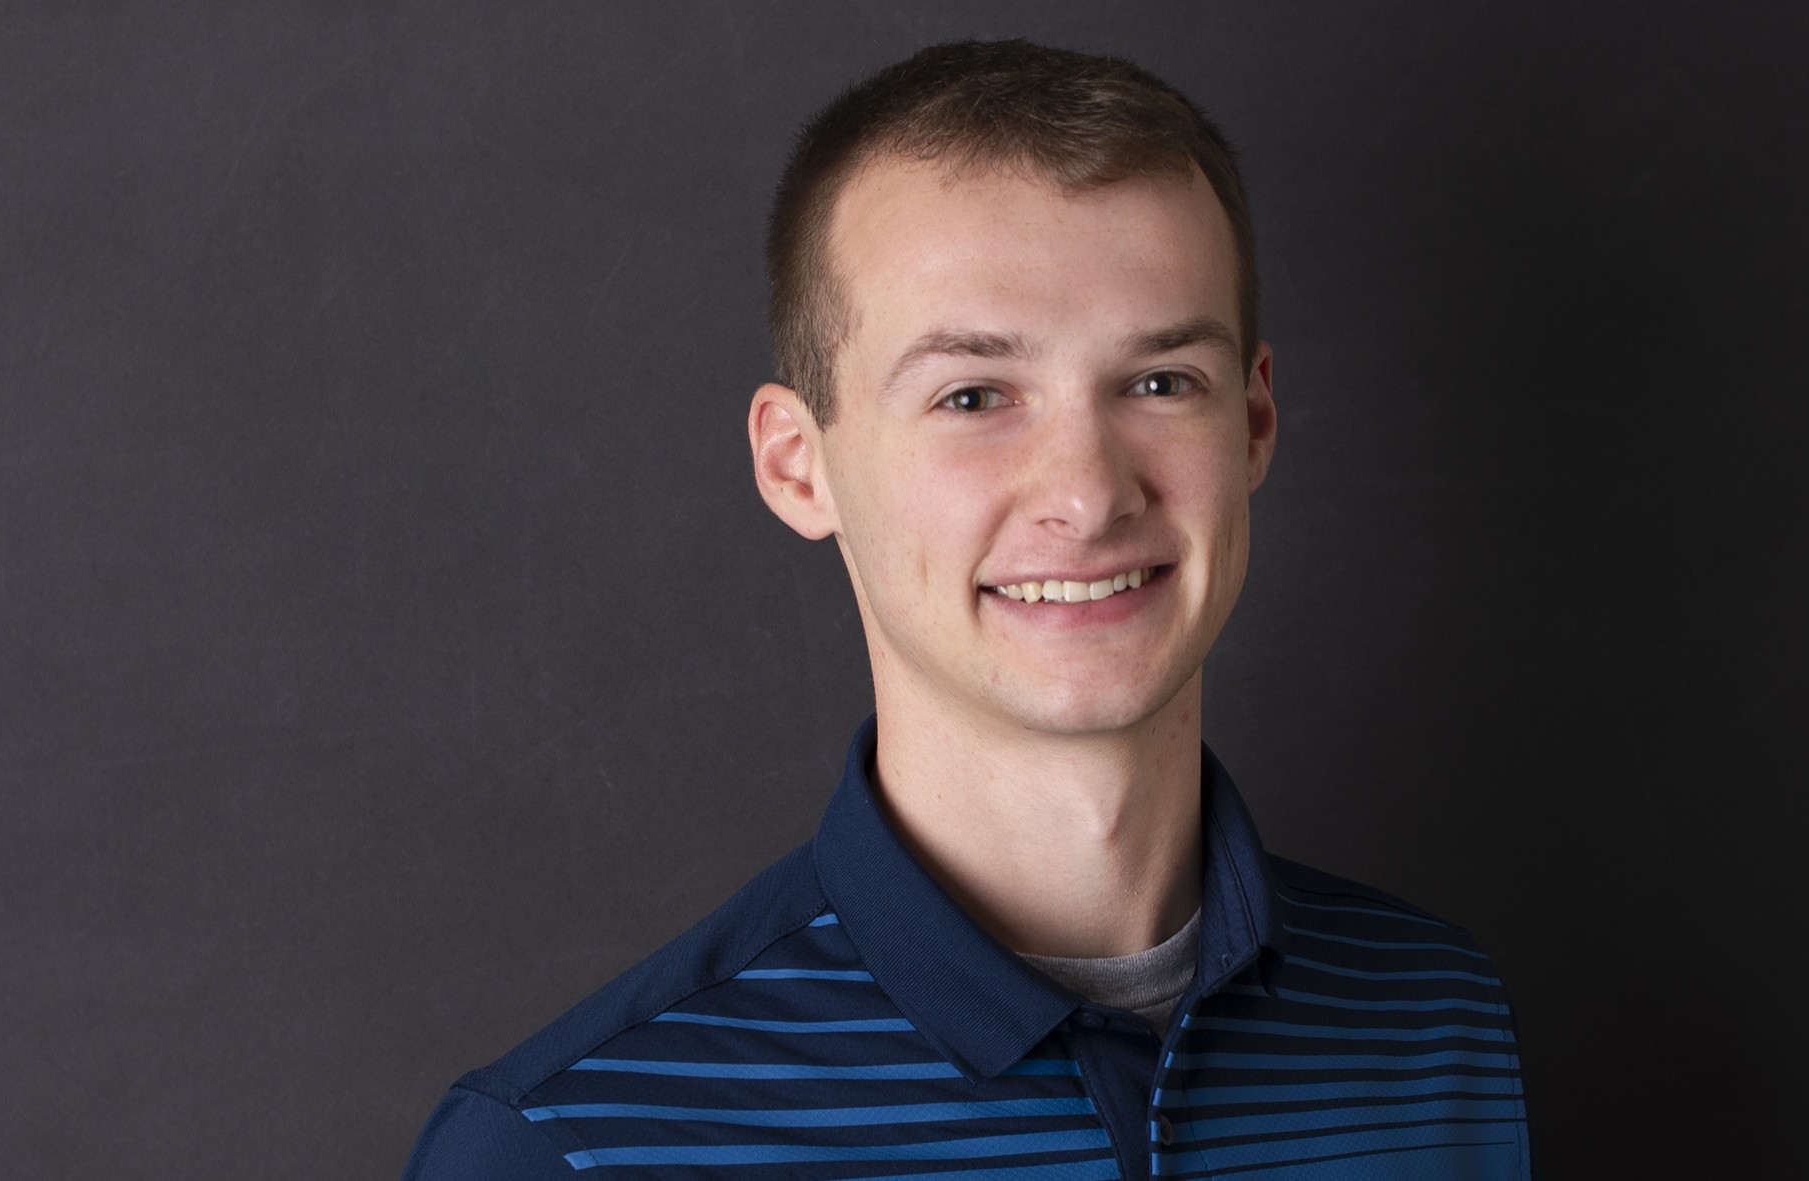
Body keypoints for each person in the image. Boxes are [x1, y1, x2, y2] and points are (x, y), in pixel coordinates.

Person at [404, 39, 1530, 1180]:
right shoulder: (571, 1147)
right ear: (800, 466)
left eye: (1158, 382)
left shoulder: (1438, 1025)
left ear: (1252, 425)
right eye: (975, 394)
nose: (1089, 494)